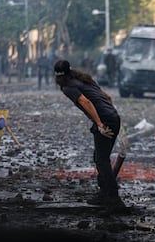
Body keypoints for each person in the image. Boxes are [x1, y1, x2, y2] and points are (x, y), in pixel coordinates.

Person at [53, 59, 125, 210]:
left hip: (105, 121)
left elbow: (85, 102)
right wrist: (112, 117)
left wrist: (99, 124)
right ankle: (104, 193)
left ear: (57, 76)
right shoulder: (85, 79)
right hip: (113, 117)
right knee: (99, 157)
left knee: (101, 160)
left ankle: (113, 197)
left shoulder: (68, 87)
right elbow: (108, 98)